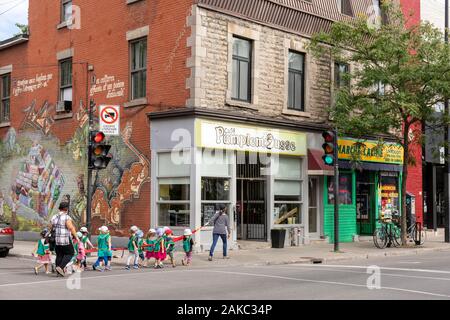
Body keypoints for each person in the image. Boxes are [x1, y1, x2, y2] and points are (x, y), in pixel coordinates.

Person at [49, 202, 79, 277]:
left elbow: (51, 227)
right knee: (70, 253)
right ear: (66, 209)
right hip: (65, 239)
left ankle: (58, 271)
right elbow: (71, 227)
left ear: (59, 208)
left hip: (56, 239)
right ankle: (61, 267)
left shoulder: (54, 217)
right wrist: (76, 237)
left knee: (59, 255)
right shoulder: (66, 217)